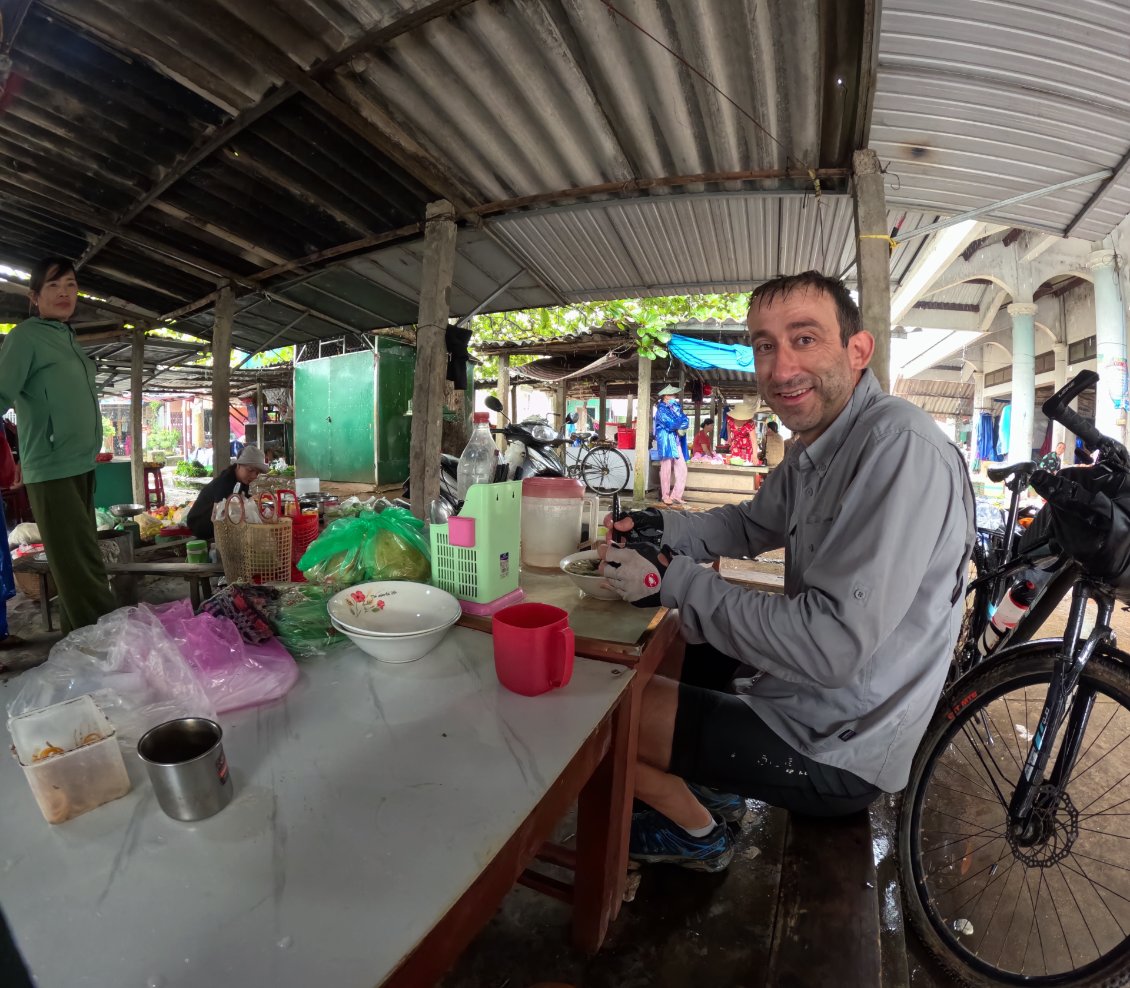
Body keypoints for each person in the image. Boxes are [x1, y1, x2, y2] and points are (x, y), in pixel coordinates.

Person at [599, 271, 974, 872]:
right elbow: (750, 526)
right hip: (805, 698)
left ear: (858, 351)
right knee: (675, 658)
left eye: (804, 339)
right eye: (765, 345)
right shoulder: (817, 445)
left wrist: (676, 580)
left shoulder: (898, 447)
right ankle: (715, 785)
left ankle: (699, 836)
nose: (779, 369)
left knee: (606, 715)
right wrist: (660, 529)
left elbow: (830, 648)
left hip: (837, 746)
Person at [0, 257, 115, 634]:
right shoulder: (25, 337)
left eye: (70, 285)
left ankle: (83, 644)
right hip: (51, 467)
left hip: (80, 464)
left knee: (81, 560)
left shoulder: (66, 338)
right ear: (34, 296)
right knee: (79, 566)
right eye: (54, 286)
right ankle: (99, 643)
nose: (65, 292)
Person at [187, 445, 270, 541]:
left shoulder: (243, 481)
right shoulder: (225, 482)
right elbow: (217, 515)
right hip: (199, 523)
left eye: (257, 473)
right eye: (250, 470)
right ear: (238, 465)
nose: (253, 476)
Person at [654, 384, 689, 506]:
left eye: (674, 395)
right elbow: (670, 424)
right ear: (665, 396)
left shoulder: (676, 407)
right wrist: (679, 423)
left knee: (683, 468)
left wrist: (679, 423)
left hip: (676, 441)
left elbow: (686, 420)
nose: (674, 397)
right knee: (666, 469)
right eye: (672, 395)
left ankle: (676, 495)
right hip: (666, 442)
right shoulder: (661, 410)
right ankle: (665, 496)